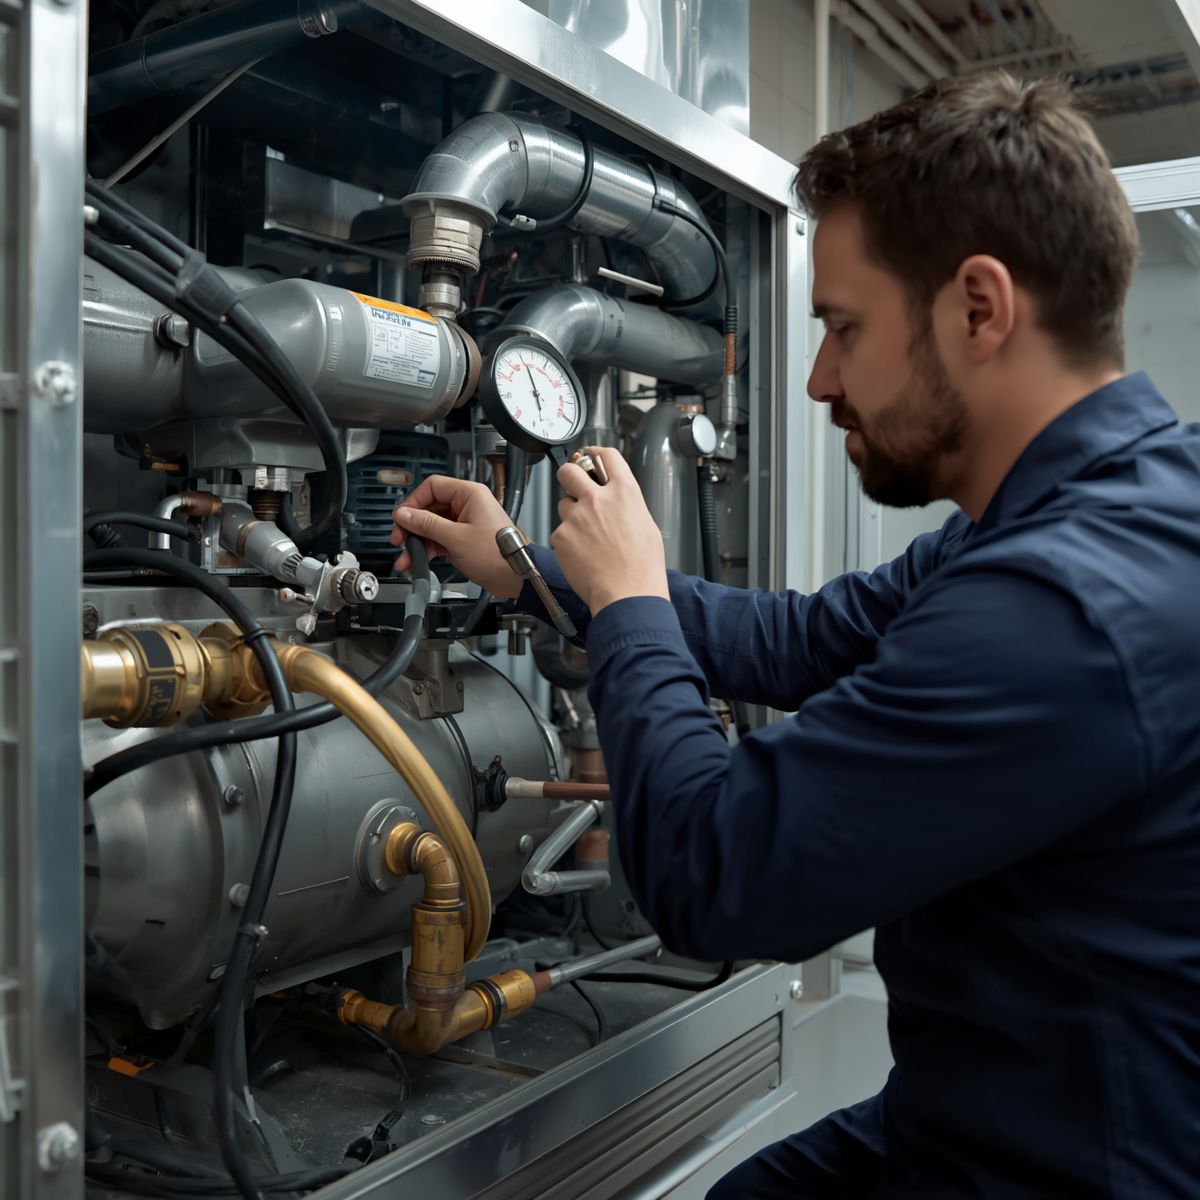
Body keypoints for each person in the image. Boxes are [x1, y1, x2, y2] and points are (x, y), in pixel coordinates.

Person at [391, 71, 1200, 1198]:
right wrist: (531, 573)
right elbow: (791, 639)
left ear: (980, 308)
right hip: (981, 1111)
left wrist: (631, 606)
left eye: (843, 329)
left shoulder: (1065, 609)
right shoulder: (1078, 511)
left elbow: (714, 875)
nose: (818, 379)